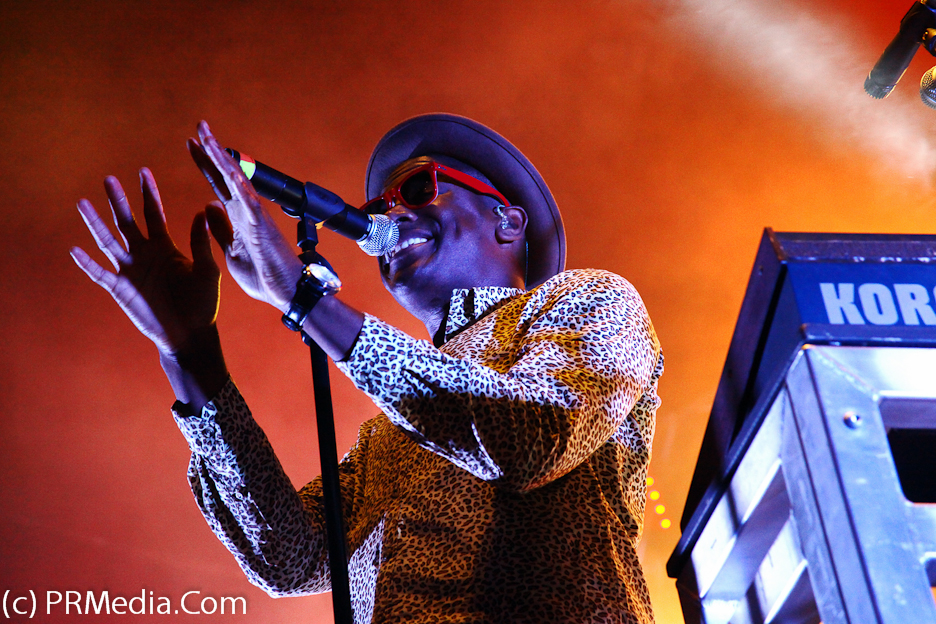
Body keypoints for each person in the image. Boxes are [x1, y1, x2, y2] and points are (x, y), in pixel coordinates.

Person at [72, 114, 663, 624]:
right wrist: (191, 352)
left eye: (417, 190)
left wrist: (307, 304)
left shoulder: (589, 300)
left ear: (507, 221)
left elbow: (529, 436)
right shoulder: (387, 433)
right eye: (379, 208)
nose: (388, 216)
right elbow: (293, 556)